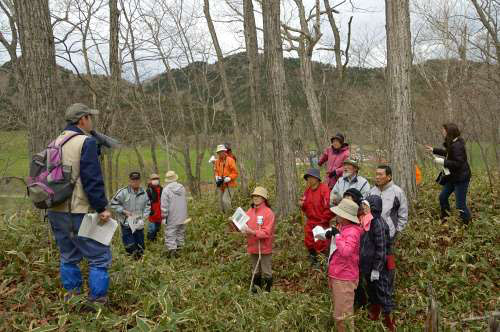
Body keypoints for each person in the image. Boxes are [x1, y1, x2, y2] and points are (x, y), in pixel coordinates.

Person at [47, 103, 111, 306]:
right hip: (79, 210)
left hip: (56, 210)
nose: (92, 121)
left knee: (68, 256)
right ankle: (98, 301)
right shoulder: (86, 142)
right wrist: (102, 208)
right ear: (82, 119)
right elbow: (92, 180)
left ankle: (73, 298)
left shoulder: (53, 143)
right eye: (90, 117)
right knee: (99, 256)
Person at [322, 199, 363, 332]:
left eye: (339, 214)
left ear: (345, 217)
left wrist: (338, 236)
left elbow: (346, 252)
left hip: (345, 278)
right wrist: (331, 235)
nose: (336, 216)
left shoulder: (353, 232)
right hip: (337, 275)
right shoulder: (344, 228)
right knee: (339, 313)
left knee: (343, 316)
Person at [357, 195, 395, 331]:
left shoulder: (378, 223)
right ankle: (375, 311)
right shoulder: (366, 220)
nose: (363, 208)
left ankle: (389, 318)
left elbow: (382, 248)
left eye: (366, 206)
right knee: (371, 290)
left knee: (383, 291)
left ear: (373, 207)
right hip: (367, 265)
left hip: (379, 268)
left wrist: (377, 269)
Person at [425, 123, 472, 224]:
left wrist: (442, 161)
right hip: (452, 177)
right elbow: (448, 153)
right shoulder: (454, 142)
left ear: (449, 132)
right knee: (442, 197)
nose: (443, 132)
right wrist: (434, 150)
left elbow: (458, 164)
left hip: (461, 179)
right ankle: (446, 217)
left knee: (460, 205)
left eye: (444, 130)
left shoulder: (458, 146)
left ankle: (468, 224)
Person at [240, 186, 275, 293]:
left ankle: (268, 291)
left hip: (264, 248)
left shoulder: (269, 213)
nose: (255, 198)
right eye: (254, 196)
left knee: (266, 271)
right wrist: (236, 225)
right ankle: (256, 289)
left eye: (258, 196)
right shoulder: (249, 211)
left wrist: (252, 232)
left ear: (263, 198)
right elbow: (243, 224)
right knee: (255, 270)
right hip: (252, 246)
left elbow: (266, 232)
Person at [111, 172, 151, 259]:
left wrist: (143, 219)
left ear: (140, 181)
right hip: (126, 224)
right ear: (129, 181)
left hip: (139, 224)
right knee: (130, 247)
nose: (135, 182)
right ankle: (132, 262)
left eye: (137, 180)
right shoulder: (123, 192)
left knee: (140, 246)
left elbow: (148, 206)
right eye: (133, 180)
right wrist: (124, 211)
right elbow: (113, 204)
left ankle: (140, 264)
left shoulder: (144, 193)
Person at [299, 168, 334, 268]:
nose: (309, 180)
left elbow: (329, 207)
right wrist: (302, 205)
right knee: (309, 241)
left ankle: (321, 263)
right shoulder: (307, 191)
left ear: (317, 178)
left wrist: (323, 220)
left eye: (311, 177)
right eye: (308, 177)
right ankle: (313, 259)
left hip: (321, 222)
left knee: (320, 243)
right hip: (311, 221)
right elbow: (306, 207)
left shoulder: (325, 190)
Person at [369, 165, 408, 243]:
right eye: (376, 174)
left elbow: (403, 215)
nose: (377, 177)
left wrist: (398, 233)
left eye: (380, 174)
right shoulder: (371, 191)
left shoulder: (398, 192)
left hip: (389, 235)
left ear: (389, 177)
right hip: (371, 234)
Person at [161, 171, 189, 258]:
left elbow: (164, 206)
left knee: (170, 235)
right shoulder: (182, 187)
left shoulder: (166, 190)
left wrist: (164, 217)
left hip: (172, 217)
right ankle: (181, 252)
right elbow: (184, 201)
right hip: (183, 216)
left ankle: (173, 255)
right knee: (180, 233)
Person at [214, 144, 239, 213]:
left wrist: (229, 178)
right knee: (219, 201)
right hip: (221, 185)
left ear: (225, 151)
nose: (221, 153)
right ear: (217, 153)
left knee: (225, 200)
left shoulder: (230, 160)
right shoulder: (217, 162)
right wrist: (216, 176)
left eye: (222, 151)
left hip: (230, 184)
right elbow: (216, 170)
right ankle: (222, 217)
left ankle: (229, 216)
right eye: (219, 152)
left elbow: (235, 173)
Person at [146, 174, 163, 241]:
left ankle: (155, 242)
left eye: (156, 179)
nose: (155, 180)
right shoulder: (149, 190)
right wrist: (149, 210)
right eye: (153, 179)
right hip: (152, 211)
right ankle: (150, 241)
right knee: (152, 229)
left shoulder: (161, 188)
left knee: (158, 229)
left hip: (160, 211)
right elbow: (146, 202)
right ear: (150, 180)